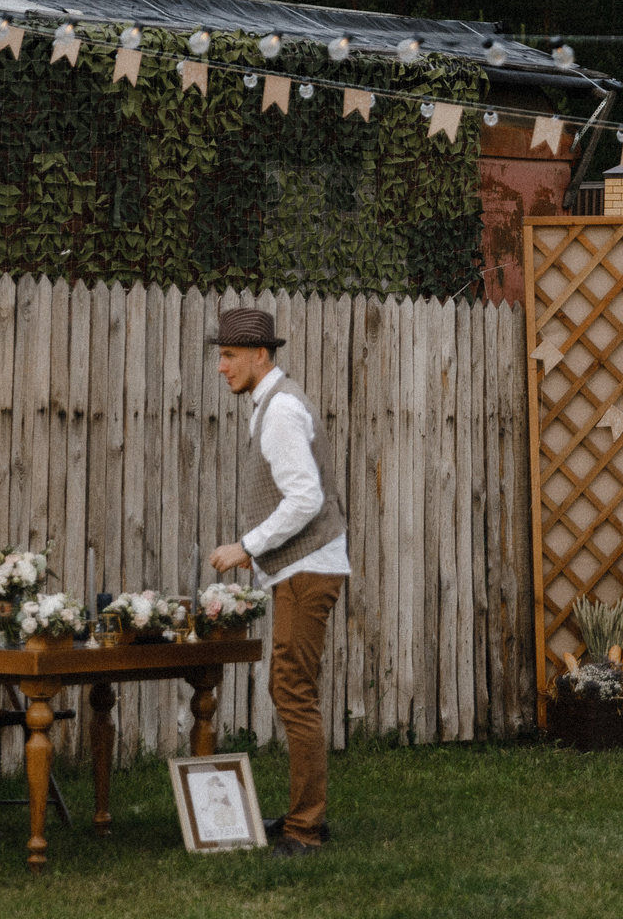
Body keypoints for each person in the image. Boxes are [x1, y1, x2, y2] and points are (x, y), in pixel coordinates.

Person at [207, 308, 349, 856]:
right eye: (220, 355)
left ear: (260, 355)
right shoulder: (271, 404)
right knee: (291, 689)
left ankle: (305, 829)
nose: (221, 368)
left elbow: (307, 498)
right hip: (300, 567)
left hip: (308, 570)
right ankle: (301, 815)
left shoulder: (282, 409)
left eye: (229, 356)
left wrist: (248, 546)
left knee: (292, 691)